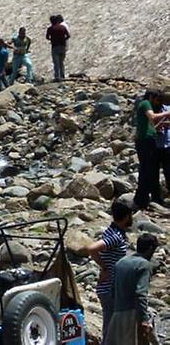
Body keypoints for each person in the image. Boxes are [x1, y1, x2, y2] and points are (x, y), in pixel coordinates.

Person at [86, 200, 133, 340]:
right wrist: (104, 267)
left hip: (109, 287)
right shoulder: (116, 236)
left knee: (113, 327)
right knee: (111, 328)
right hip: (110, 289)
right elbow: (92, 249)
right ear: (126, 217)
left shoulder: (112, 231)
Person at [105, 233, 160, 345]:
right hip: (132, 314)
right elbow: (140, 293)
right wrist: (144, 319)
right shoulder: (144, 265)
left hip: (117, 313)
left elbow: (112, 290)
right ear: (150, 249)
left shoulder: (120, 262)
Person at [133, 90, 170, 209]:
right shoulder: (145, 104)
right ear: (151, 97)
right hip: (147, 142)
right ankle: (141, 200)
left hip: (152, 142)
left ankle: (143, 200)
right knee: (147, 171)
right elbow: (152, 117)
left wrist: (161, 125)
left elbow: (151, 126)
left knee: (148, 171)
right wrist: (167, 114)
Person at [46, 15, 70, 82]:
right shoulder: (62, 27)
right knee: (61, 62)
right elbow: (68, 36)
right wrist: (63, 39)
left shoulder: (50, 29)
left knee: (56, 63)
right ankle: (62, 76)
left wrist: (52, 39)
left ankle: (57, 77)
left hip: (55, 46)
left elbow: (47, 37)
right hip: (62, 46)